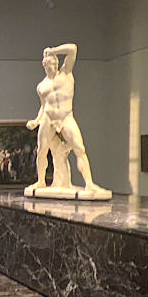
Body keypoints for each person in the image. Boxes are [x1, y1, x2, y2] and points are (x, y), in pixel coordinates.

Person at [26, 42, 105, 192]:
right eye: (50, 64)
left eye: (55, 63)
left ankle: (89, 183)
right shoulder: (41, 86)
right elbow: (43, 106)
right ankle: (41, 181)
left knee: (79, 148)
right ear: (44, 66)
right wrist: (36, 121)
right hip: (48, 118)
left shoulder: (66, 74)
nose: (53, 66)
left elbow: (73, 49)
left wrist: (53, 51)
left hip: (65, 116)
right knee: (42, 151)